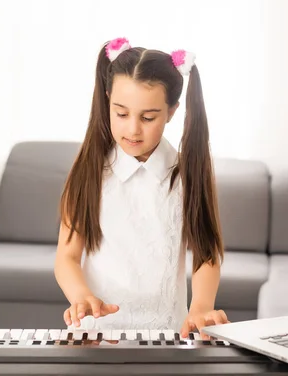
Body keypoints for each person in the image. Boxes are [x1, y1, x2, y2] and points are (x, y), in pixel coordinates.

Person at [54, 38, 229, 339]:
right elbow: (67, 257)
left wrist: (201, 306)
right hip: (96, 336)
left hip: (166, 337)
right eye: (121, 114)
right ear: (107, 99)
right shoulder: (90, 170)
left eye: (148, 117)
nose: (133, 129)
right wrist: (80, 295)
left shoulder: (187, 173)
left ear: (172, 111)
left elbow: (206, 253)